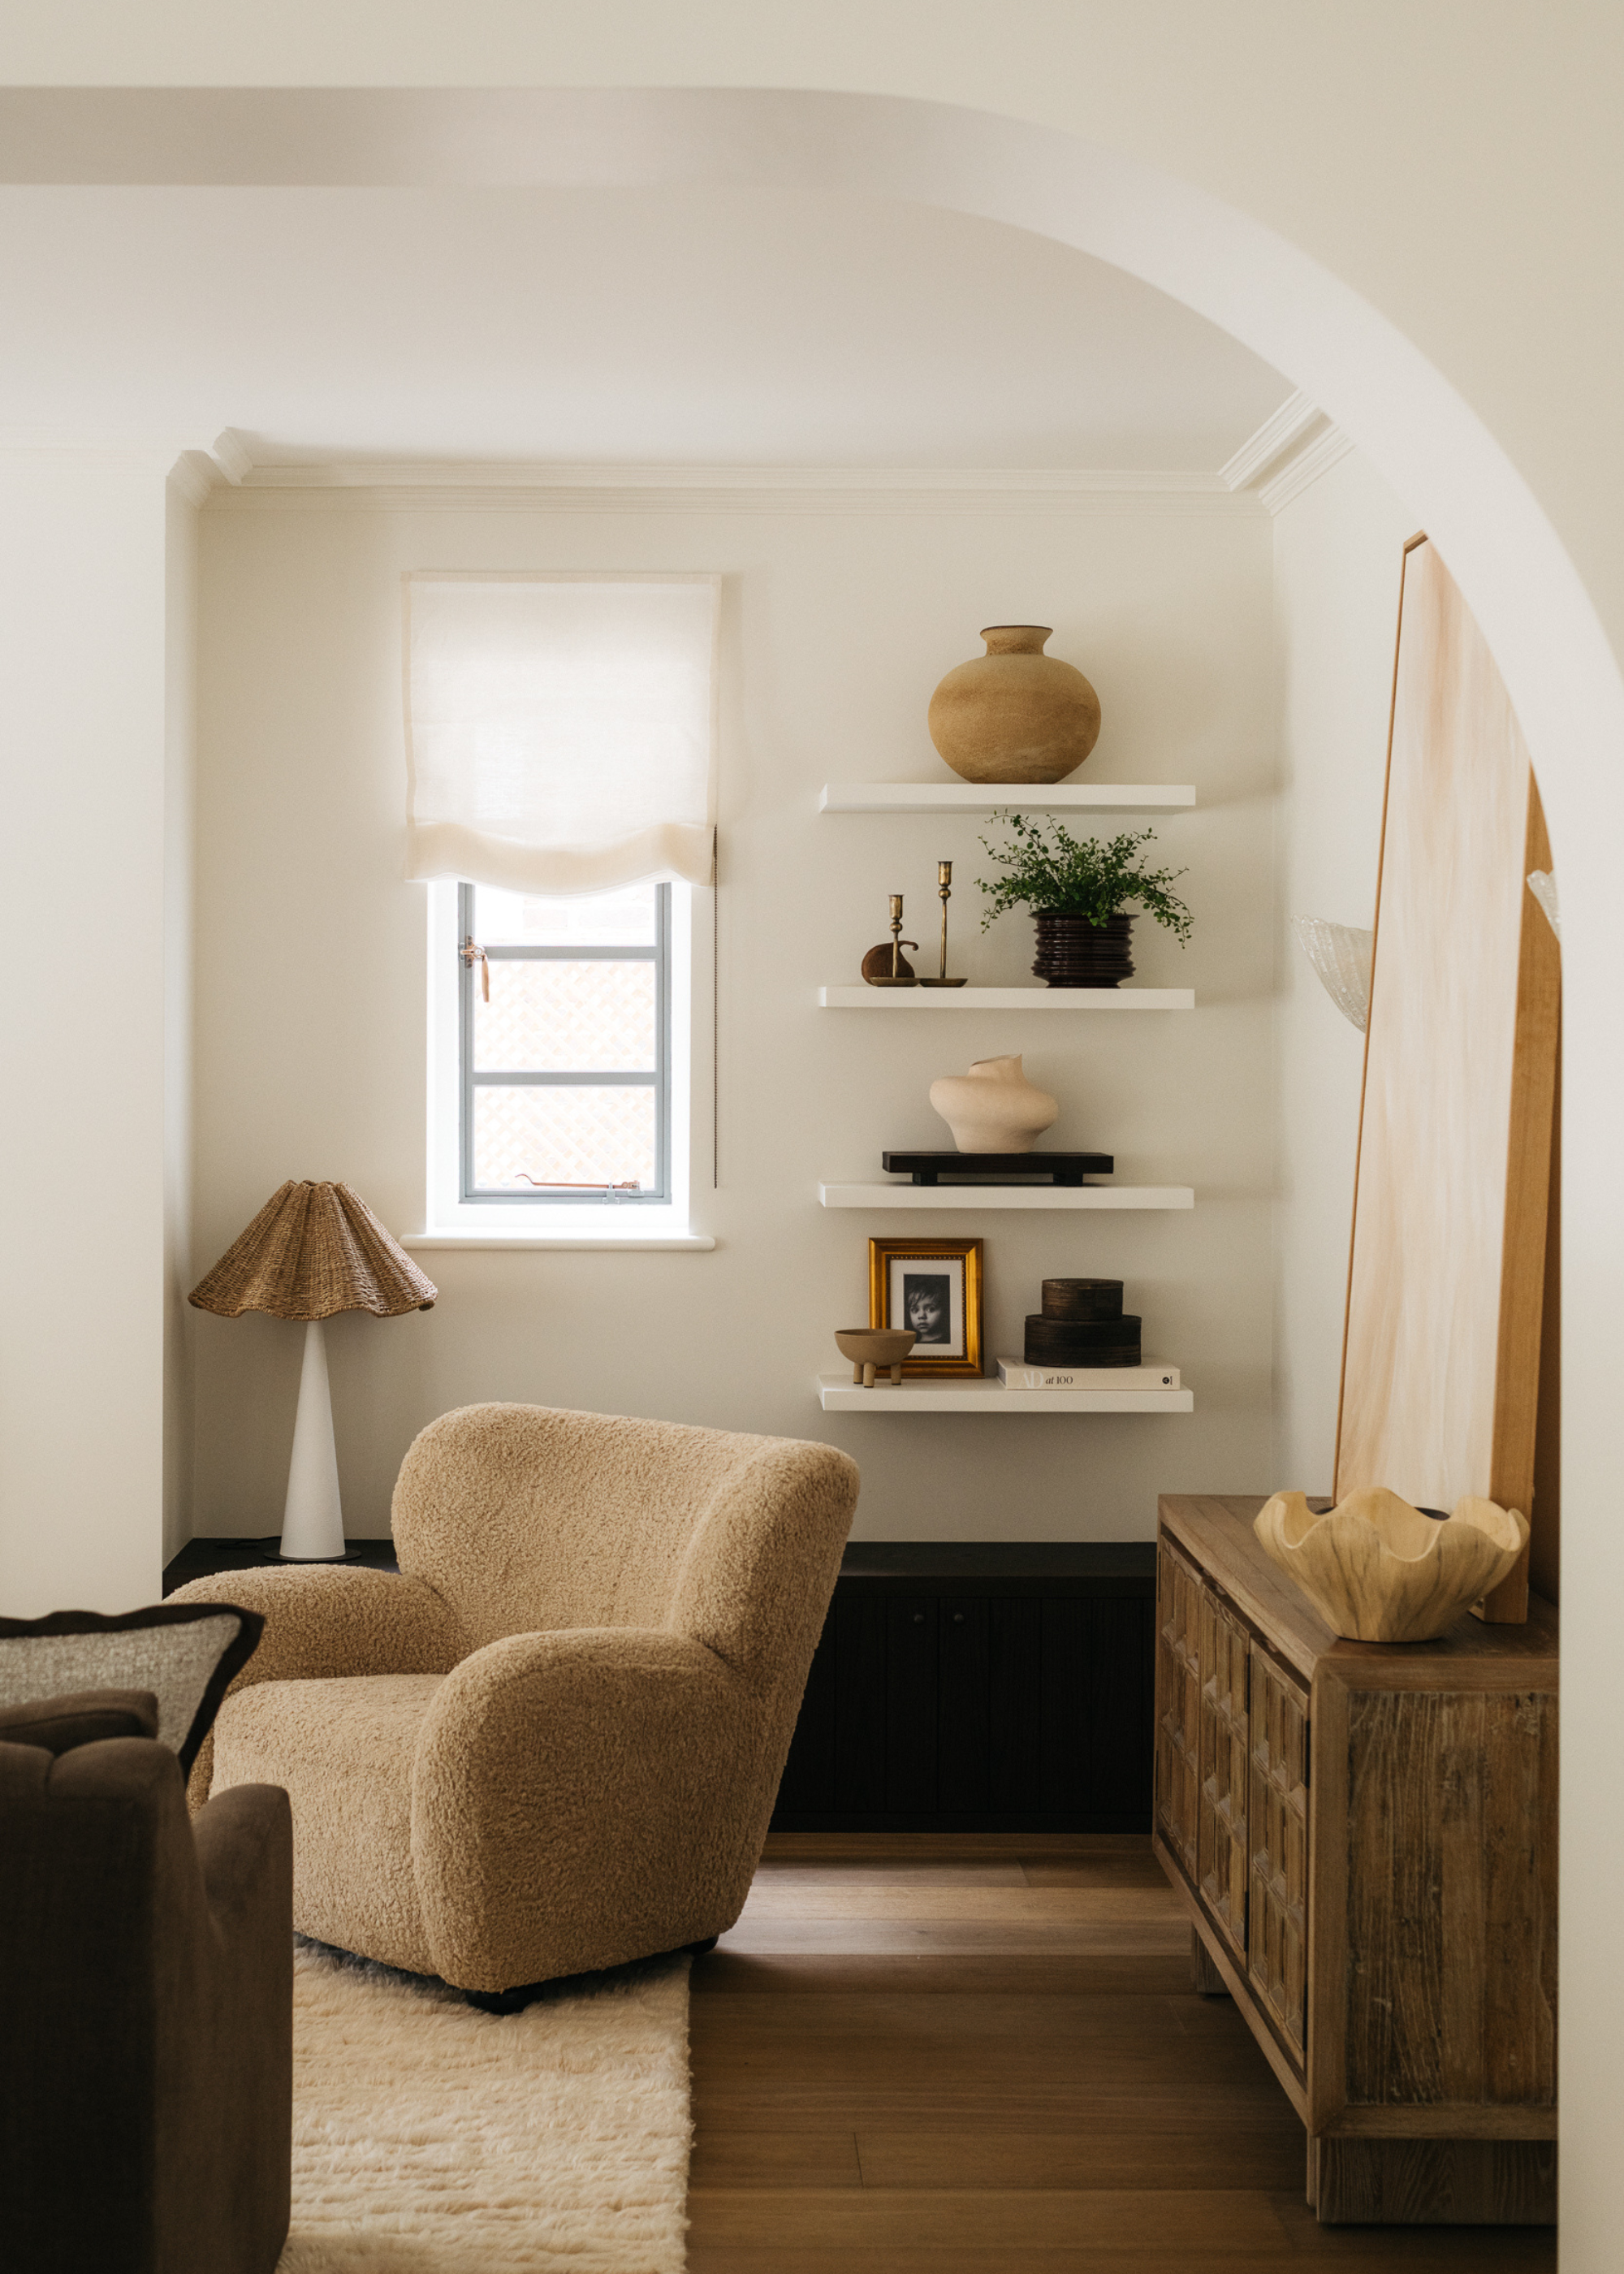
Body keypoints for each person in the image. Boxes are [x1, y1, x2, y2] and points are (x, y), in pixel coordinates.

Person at [904, 1273, 951, 1344]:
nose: (921, 1316)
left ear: (944, 1311)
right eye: (915, 1310)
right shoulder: (909, 1343)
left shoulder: (947, 1342)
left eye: (930, 1309)